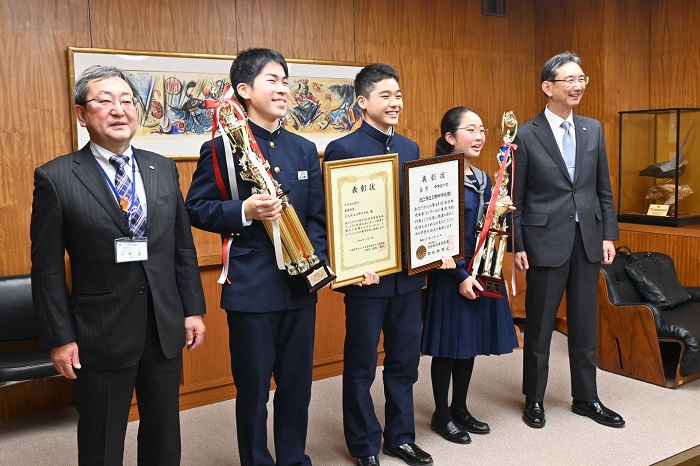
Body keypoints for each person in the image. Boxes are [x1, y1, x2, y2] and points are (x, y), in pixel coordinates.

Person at [30, 64, 207, 465]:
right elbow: (48, 268)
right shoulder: (56, 178)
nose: (119, 109)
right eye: (105, 100)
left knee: (164, 434)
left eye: (127, 100)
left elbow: (182, 246)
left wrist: (192, 308)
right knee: (102, 438)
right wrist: (60, 337)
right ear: (81, 113)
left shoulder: (161, 168)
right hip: (100, 331)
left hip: (162, 325)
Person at [185, 48, 328, 466]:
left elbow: (316, 217)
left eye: (286, 80)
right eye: (273, 80)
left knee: (297, 384)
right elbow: (195, 208)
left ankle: (292, 458)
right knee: (252, 390)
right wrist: (243, 211)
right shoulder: (221, 147)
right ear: (244, 90)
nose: (283, 88)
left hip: (300, 288)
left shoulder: (303, 149)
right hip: (251, 288)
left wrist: (313, 260)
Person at [324, 63, 433, 466]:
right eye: (385, 95)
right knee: (361, 365)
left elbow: (417, 210)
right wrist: (351, 267)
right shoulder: (343, 149)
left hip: (407, 278)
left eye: (398, 95)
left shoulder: (410, 148)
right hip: (366, 280)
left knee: (404, 362)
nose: (394, 103)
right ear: (363, 102)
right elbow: (337, 218)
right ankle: (364, 444)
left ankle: (400, 437)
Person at [512, 51, 624, 429]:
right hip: (544, 241)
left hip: (588, 238)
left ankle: (587, 398)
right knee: (540, 327)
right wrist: (518, 244)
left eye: (582, 79)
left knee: (584, 324)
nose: (578, 86)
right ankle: (535, 400)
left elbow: (603, 189)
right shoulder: (526, 134)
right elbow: (517, 196)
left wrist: (610, 233)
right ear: (548, 87)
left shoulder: (594, 128)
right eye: (569, 80)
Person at [421, 107, 519, 445]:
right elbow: (428, 231)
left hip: (479, 273)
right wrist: (460, 275)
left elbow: (485, 230)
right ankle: (441, 415)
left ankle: (460, 407)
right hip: (449, 274)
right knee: (446, 349)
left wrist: (501, 215)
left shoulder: (484, 178)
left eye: (482, 130)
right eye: (470, 130)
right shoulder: (434, 175)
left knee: (468, 345)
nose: (479, 137)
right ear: (450, 138)